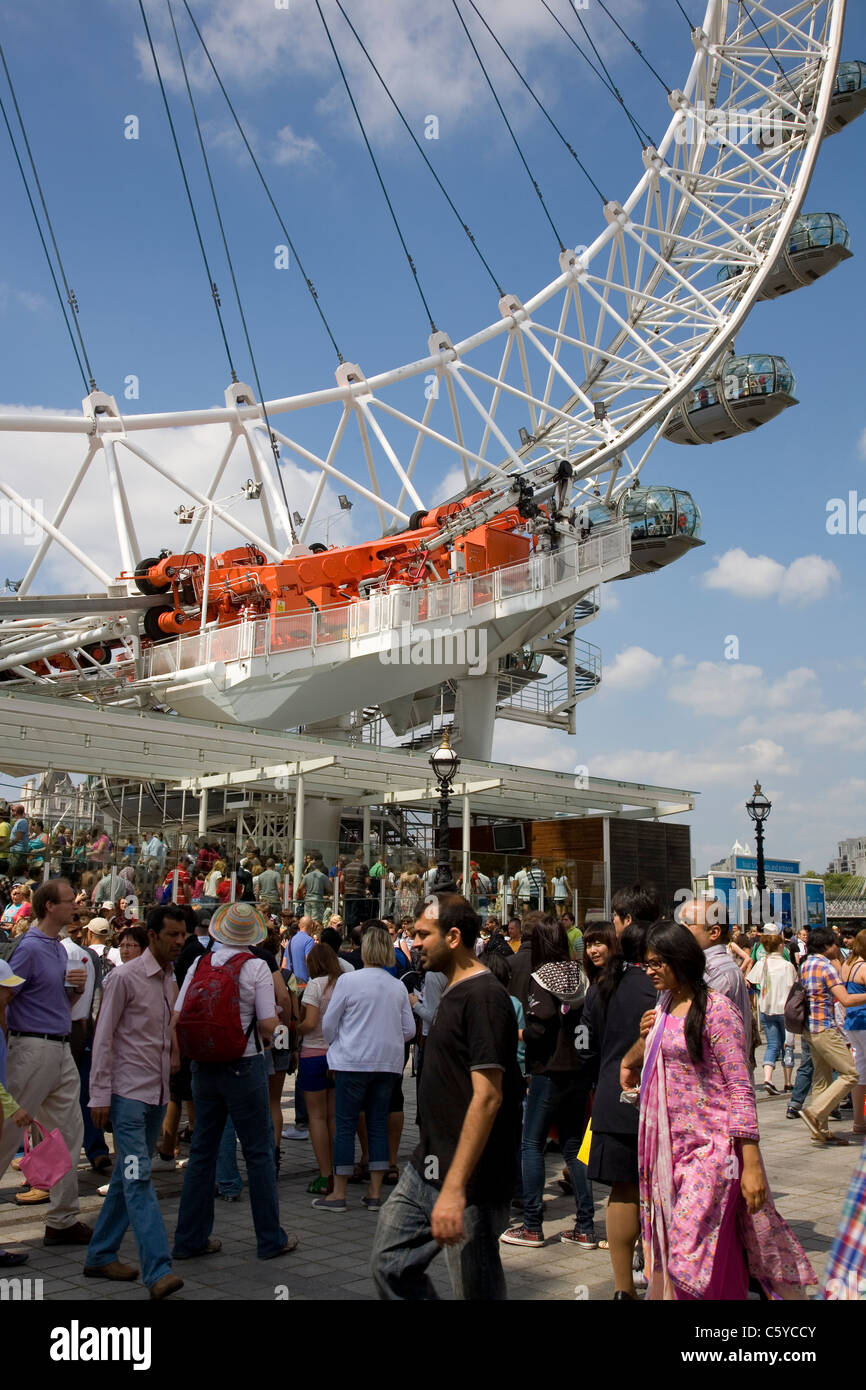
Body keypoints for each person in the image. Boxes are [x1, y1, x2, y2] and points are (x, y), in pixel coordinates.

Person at [630, 920, 815, 1300]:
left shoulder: (717, 1010)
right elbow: (648, 1057)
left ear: (678, 960)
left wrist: (751, 1164)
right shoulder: (664, 1005)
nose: (648, 972)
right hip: (671, 1150)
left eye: (654, 964)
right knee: (718, 1249)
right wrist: (642, 1040)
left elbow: (740, 1088)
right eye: (645, 964)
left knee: (687, 1250)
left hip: (714, 1152)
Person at [371, 894, 522, 1300]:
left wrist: (456, 1187)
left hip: (471, 1178)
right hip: (427, 1165)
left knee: (477, 1289)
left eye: (423, 934)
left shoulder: (484, 997)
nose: (413, 942)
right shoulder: (452, 990)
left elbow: (488, 1097)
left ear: (453, 937)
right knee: (390, 1263)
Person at [172, 901, 297, 1260]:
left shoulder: (200, 962)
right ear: (253, 935)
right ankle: (269, 1239)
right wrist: (280, 1028)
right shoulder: (256, 966)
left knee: (202, 1153)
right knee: (257, 1152)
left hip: (203, 1066)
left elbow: (179, 1014)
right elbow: (266, 1025)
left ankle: (190, 1239)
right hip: (244, 1065)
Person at [84, 905, 188, 1299]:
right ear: (154, 935)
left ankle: (100, 1254)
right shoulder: (124, 979)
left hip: (155, 1097)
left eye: (183, 935)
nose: (180, 941)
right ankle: (158, 1269)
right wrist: (98, 1095)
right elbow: (104, 1037)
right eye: (173, 935)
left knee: (126, 1179)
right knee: (138, 1178)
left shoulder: (168, 979)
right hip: (127, 1100)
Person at [0, 879, 92, 1245]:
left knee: (70, 1132)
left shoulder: (56, 947)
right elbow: (5, 997)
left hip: (57, 1046)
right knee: (6, 1137)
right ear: (50, 906)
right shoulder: (30, 948)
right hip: (33, 1049)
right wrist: (9, 1047)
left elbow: (51, 1005)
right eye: (71, 901)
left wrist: (74, 993)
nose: (77, 906)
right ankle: (62, 1218)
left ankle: (63, 1219)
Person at [501, 917, 595, 1249]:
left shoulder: (541, 978)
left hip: (548, 1071)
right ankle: (585, 1225)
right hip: (578, 1072)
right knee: (572, 1147)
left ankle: (531, 1225)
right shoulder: (579, 975)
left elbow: (539, 1030)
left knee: (531, 1145)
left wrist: (518, 1034)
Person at [313, 926, 415, 1213]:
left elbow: (330, 1024)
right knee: (378, 1124)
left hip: (352, 1061)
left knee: (345, 1124)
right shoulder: (397, 986)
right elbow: (408, 1029)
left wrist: (339, 1043)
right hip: (387, 1064)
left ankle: (339, 1193)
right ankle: (373, 1193)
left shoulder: (348, 981)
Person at [582, 917, 657, 1299]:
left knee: (623, 1191)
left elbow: (586, 1046)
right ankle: (662, 1282)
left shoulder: (598, 990)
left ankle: (623, 1288)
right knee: (662, 1192)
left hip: (614, 1097)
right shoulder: (662, 989)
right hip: (659, 1099)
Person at [798, 927, 861, 1144]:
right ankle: (814, 1112)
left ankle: (820, 1131)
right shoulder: (826, 967)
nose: (839, 946)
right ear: (827, 946)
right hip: (825, 1027)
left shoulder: (806, 964)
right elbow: (846, 1000)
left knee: (821, 1078)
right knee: (851, 1074)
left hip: (810, 1028)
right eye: (835, 943)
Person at [297, 942, 343, 1195]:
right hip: (338, 1056)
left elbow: (311, 1022)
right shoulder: (344, 983)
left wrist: (297, 1028)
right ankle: (338, 1170)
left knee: (316, 1117)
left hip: (314, 1054)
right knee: (335, 1116)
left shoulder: (315, 985)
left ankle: (325, 1175)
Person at [678, 897, 751, 1030]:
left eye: (688, 923)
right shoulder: (700, 965)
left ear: (714, 932)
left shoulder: (717, 973)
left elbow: (690, 1026)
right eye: (680, 922)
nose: (679, 928)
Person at [747, 929, 797, 1094]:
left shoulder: (762, 963)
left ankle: (767, 1078)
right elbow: (794, 986)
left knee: (772, 1045)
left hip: (766, 1009)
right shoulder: (787, 965)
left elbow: (750, 980)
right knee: (787, 1045)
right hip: (785, 1010)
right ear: (781, 946)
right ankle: (788, 1081)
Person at [840, 930, 866, 1137]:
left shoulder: (847, 966)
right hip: (864, 1021)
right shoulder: (864, 967)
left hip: (851, 1023)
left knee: (861, 1073)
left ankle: (858, 1122)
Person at [342, 851, 370, 931]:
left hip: (348, 893)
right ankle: (354, 934)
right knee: (356, 914)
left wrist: (349, 883)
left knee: (348, 913)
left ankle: (349, 933)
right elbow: (367, 881)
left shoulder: (347, 866)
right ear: (363, 856)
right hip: (358, 893)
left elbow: (341, 879)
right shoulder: (363, 866)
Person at [301, 859, 331, 924]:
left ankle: (308, 933)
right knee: (317, 920)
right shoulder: (323, 876)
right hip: (317, 900)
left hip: (307, 900)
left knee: (307, 920)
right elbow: (330, 890)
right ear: (322, 867)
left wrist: (302, 896)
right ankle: (315, 933)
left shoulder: (307, 876)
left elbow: (300, 888)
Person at [289, 915, 316, 986]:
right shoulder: (309, 941)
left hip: (290, 983)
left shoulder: (291, 941)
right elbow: (309, 962)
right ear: (312, 926)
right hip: (303, 983)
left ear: (299, 926)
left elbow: (284, 964)